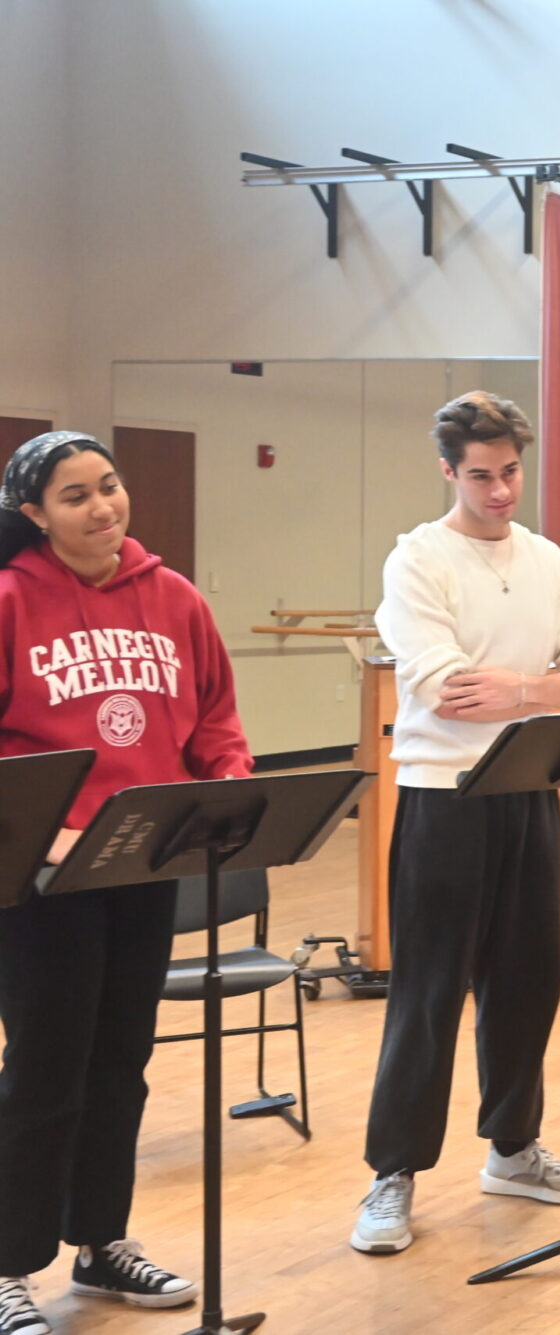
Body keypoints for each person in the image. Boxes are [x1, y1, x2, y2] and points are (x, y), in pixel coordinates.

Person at [0, 432, 253, 1334]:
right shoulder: (8, 598)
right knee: (44, 1070)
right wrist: (47, 827)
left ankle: (101, 1241)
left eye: (109, 487)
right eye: (75, 496)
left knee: (121, 1066)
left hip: (146, 862)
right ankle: (8, 1263)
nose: (103, 507)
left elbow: (216, 720)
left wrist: (226, 798)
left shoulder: (173, 596)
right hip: (44, 876)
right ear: (35, 513)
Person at [351, 392, 560, 1255]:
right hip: (443, 793)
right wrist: (537, 685)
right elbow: (446, 689)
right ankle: (393, 1172)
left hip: (530, 785)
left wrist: (527, 691)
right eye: (480, 476)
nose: (500, 491)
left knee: (529, 976)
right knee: (429, 990)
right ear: (447, 470)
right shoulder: (417, 561)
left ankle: (513, 1148)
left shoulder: (550, 561)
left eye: (510, 473)